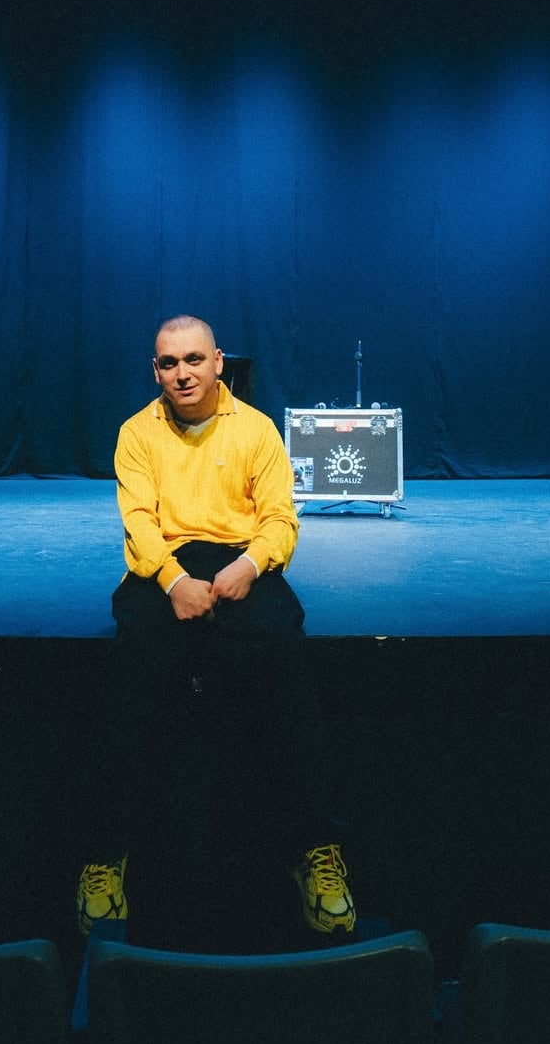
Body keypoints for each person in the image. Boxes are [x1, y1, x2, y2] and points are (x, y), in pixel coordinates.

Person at [76, 314, 355, 938]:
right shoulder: (135, 434)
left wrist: (248, 569)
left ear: (218, 361)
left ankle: (316, 850)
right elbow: (139, 524)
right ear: (156, 370)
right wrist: (173, 582)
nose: (182, 373)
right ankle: (104, 852)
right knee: (127, 688)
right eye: (169, 363)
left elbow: (280, 521)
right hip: (164, 572)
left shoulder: (256, 431)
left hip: (239, 568)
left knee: (288, 675)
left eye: (194, 360)